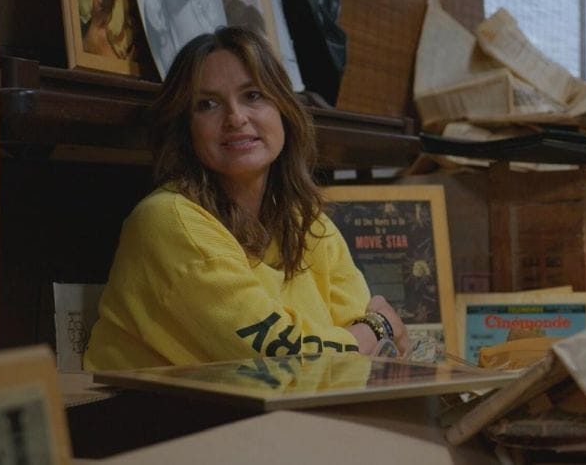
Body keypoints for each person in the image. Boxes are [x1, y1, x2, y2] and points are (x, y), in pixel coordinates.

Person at [84, 26, 408, 370]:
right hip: (150, 417)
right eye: (208, 104)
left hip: (277, 414)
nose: (236, 118)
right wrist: (378, 328)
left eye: (253, 95)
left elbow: (373, 363)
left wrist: (365, 338)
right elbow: (283, 361)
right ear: (186, 128)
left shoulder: (309, 223)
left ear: (283, 110)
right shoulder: (167, 220)